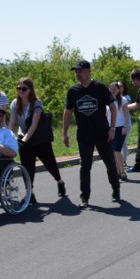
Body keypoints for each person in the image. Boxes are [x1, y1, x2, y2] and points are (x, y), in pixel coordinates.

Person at [61, 59, 121, 208]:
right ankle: (84, 197)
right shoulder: (73, 91)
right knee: (85, 166)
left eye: (80, 71)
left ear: (88, 71)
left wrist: (112, 128)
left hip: (102, 133)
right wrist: (64, 133)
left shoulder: (100, 87)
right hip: (84, 135)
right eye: (76, 71)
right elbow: (68, 112)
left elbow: (113, 108)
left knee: (110, 163)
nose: (77, 74)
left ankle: (116, 189)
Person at [8, 77, 66, 204]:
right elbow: (12, 123)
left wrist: (24, 140)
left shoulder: (36, 103)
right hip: (23, 137)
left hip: (39, 139)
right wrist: (8, 138)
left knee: (50, 163)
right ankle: (30, 193)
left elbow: (34, 125)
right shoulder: (14, 103)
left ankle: (59, 181)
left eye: (24, 88)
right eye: (18, 88)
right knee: (27, 167)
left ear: (30, 90)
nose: (20, 91)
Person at [107, 82, 130, 180]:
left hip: (120, 128)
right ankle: (118, 171)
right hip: (110, 128)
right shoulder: (106, 101)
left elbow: (126, 115)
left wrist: (125, 127)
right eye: (111, 89)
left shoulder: (123, 100)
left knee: (117, 150)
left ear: (118, 90)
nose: (112, 91)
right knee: (113, 151)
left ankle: (122, 171)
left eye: (114, 89)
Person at [117, 81, 132, 165]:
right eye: (118, 86)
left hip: (126, 123)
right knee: (119, 142)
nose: (120, 88)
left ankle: (123, 161)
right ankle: (120, 160)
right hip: (117, 123)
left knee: (123, 142)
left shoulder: (126, 97)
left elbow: (127, 106)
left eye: (121, 86)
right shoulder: (114, 98)